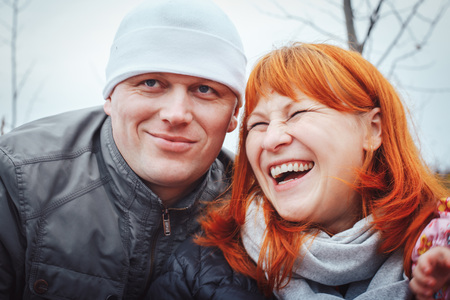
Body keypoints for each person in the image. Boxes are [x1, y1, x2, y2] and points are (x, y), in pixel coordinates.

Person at [149, 42, 449, 299]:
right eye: (258, 124)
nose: (271, 138)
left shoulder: (438, 242)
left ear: (373, 130)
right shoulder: (197, 271)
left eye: (298, 113)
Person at [0, 0, 254, 298]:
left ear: (234, 115)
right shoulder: (20, 180)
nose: (176, 114)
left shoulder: (255, 205)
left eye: (204, 89)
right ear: (110, 96)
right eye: (150, 82)